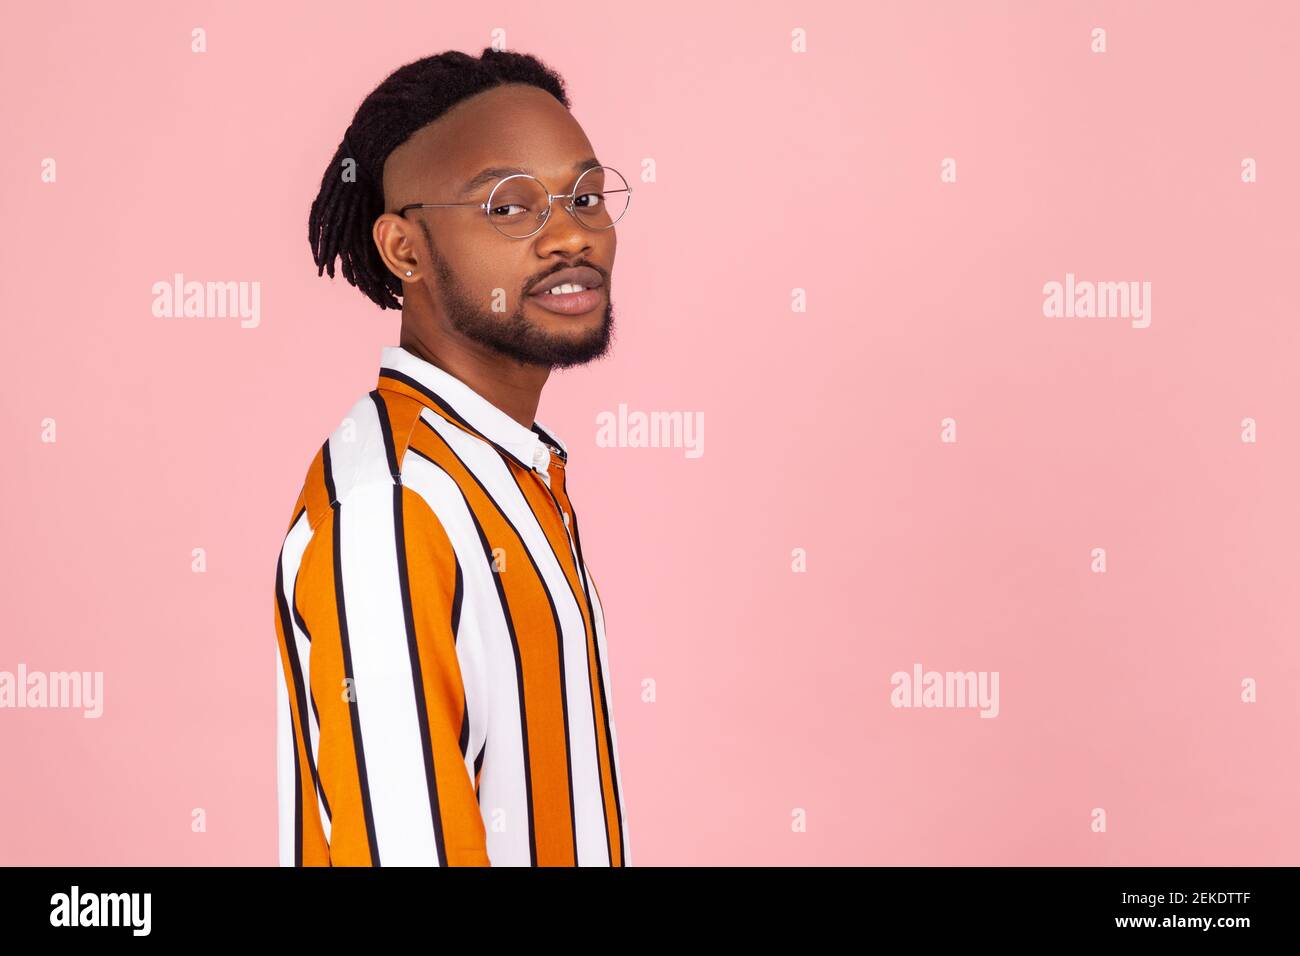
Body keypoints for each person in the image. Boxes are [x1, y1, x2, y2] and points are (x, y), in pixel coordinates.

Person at [272, 48, 631, 866]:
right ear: (405, 250)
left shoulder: (504, 471)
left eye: (584, 196)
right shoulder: (393, 511)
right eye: (508, 207)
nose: (571, 233)